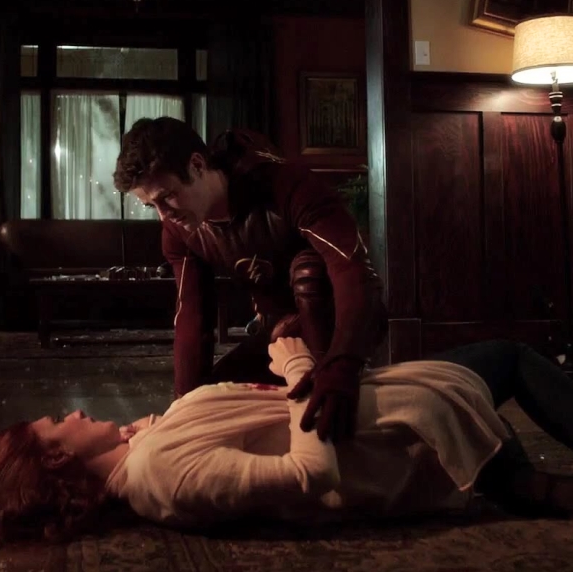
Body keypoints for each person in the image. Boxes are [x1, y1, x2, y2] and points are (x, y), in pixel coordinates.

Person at [0, 331, 573, 541]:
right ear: (58, 456)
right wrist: (300, 368)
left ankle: (562, 487)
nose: (71, 411)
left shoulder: (142, 450)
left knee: (503, 379)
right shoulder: (163, 477)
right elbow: (309, 477)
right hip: (392, 446)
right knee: (506, 363)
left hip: (378, 420)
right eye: (57, 422)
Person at [113, 117, 387, 442]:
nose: (163, 215)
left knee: (308, 272)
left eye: (168, 196)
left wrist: (342, 364)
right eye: (151, 205)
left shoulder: (286, 186)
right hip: (275, 333)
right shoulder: (178, 230)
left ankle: (332, 394)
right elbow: (192, 315)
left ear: (197, 165)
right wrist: (181, 412)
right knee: (206, 404)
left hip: (336, 319)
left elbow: (352, 269)